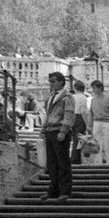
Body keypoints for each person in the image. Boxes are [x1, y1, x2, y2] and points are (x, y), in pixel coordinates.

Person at [42, 72, 77, 202]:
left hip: (59, 130)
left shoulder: (67, 97)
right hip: (50, 130)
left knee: (62, 162)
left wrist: (64, 130)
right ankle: (54, 189)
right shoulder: (51, 96)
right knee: (51, 162)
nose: (51, 84)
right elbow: (48, 114)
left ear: (61, 82)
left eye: (54, 81)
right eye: (50, 81)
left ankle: (65, 190)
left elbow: (69, 115)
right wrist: (43, 129)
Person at [87, 80, 109, 164]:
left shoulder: (108, 98)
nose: (93, 90)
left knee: (108, 142)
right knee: (96, 143)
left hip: (107, 122)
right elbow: (91, 113)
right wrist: (89, 125)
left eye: (94, 88)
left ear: (100, 88)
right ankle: (98, 162)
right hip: (96, 122)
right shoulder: (93, 99)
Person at [69, 79, 90, 166]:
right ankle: (75, 158)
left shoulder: (71, 97)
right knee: (79, 139)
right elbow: (83, 112)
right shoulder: (83, 98)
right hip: (79, 118)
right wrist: (87, 124)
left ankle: (74, 157)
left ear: (75, 88)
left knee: (74, 139)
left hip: (71, 118)